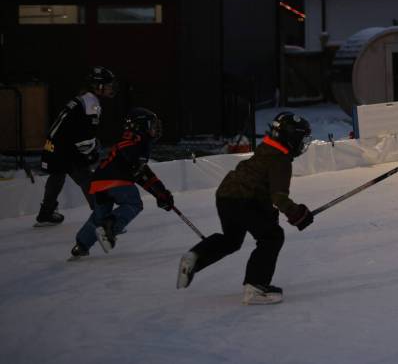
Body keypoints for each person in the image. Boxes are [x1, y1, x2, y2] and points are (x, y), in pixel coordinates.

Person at [176, 112, 315, 305]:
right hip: (244, 200)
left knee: (231, 240)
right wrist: (297, 213)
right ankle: (255, 288)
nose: (302, 144)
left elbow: (263, 192)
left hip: (226, 196)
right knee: (272, 237)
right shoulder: (280, 160)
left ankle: (195, 257)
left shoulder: (266, 149)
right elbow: (278, 196)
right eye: (301, 139)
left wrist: (280, 215)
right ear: (291, 138)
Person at [69, 107, 173, 259]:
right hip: (116, 180)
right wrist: (159, 193)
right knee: (134, 204)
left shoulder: (129, 141)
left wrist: (160, 193)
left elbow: (142, 173)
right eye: (152, 125)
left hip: (98, 182)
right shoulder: (139, 142)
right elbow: (138, 168)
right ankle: (110, 227)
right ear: (141, 126)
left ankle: (81, 245)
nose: (155, 129)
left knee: (99, 216)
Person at [36, 66, 118, 226]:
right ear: (98, 86)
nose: (111, 88)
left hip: (53, 143)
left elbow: (73, 128)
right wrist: (91, 152)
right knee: (86, 177)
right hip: (67, 147)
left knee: (57, 175)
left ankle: (46, 212)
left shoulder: (82, 98)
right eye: (108, 85)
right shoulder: (92, 103)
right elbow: (84, 136)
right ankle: (102, 217)